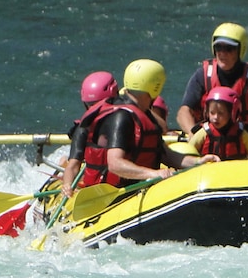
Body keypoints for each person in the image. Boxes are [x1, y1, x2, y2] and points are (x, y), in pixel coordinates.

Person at [79, 59, 216, 188]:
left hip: (139, 188)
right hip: (114, 193)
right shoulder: (121, 117)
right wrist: (153, 173)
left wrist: (198, 162)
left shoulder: (147, 115)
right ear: (155, 86)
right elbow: (115, 164)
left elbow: (166, 155)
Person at [177, 23, 248, 153]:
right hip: (212, 142)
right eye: (218, 47)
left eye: (229, 49)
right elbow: (184, 111)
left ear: (240, 50)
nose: (222, 53)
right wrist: (193, 134)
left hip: (247, 141)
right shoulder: (203, 75)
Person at [59, 71, 119, 197]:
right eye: (90, 105)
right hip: (97, 190)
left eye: (97, 104)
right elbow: (73, 166)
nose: (94, 109)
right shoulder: (83, 129)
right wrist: (67, 184)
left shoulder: (126, 122)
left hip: (126, 187)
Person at [188, 87, 248, 160]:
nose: (216, 117)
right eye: (212, 113)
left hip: (235, 170)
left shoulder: (242, 133)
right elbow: (189, 150)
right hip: (209, 169)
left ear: (232, 113)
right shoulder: (204, 133)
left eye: (221, 113)